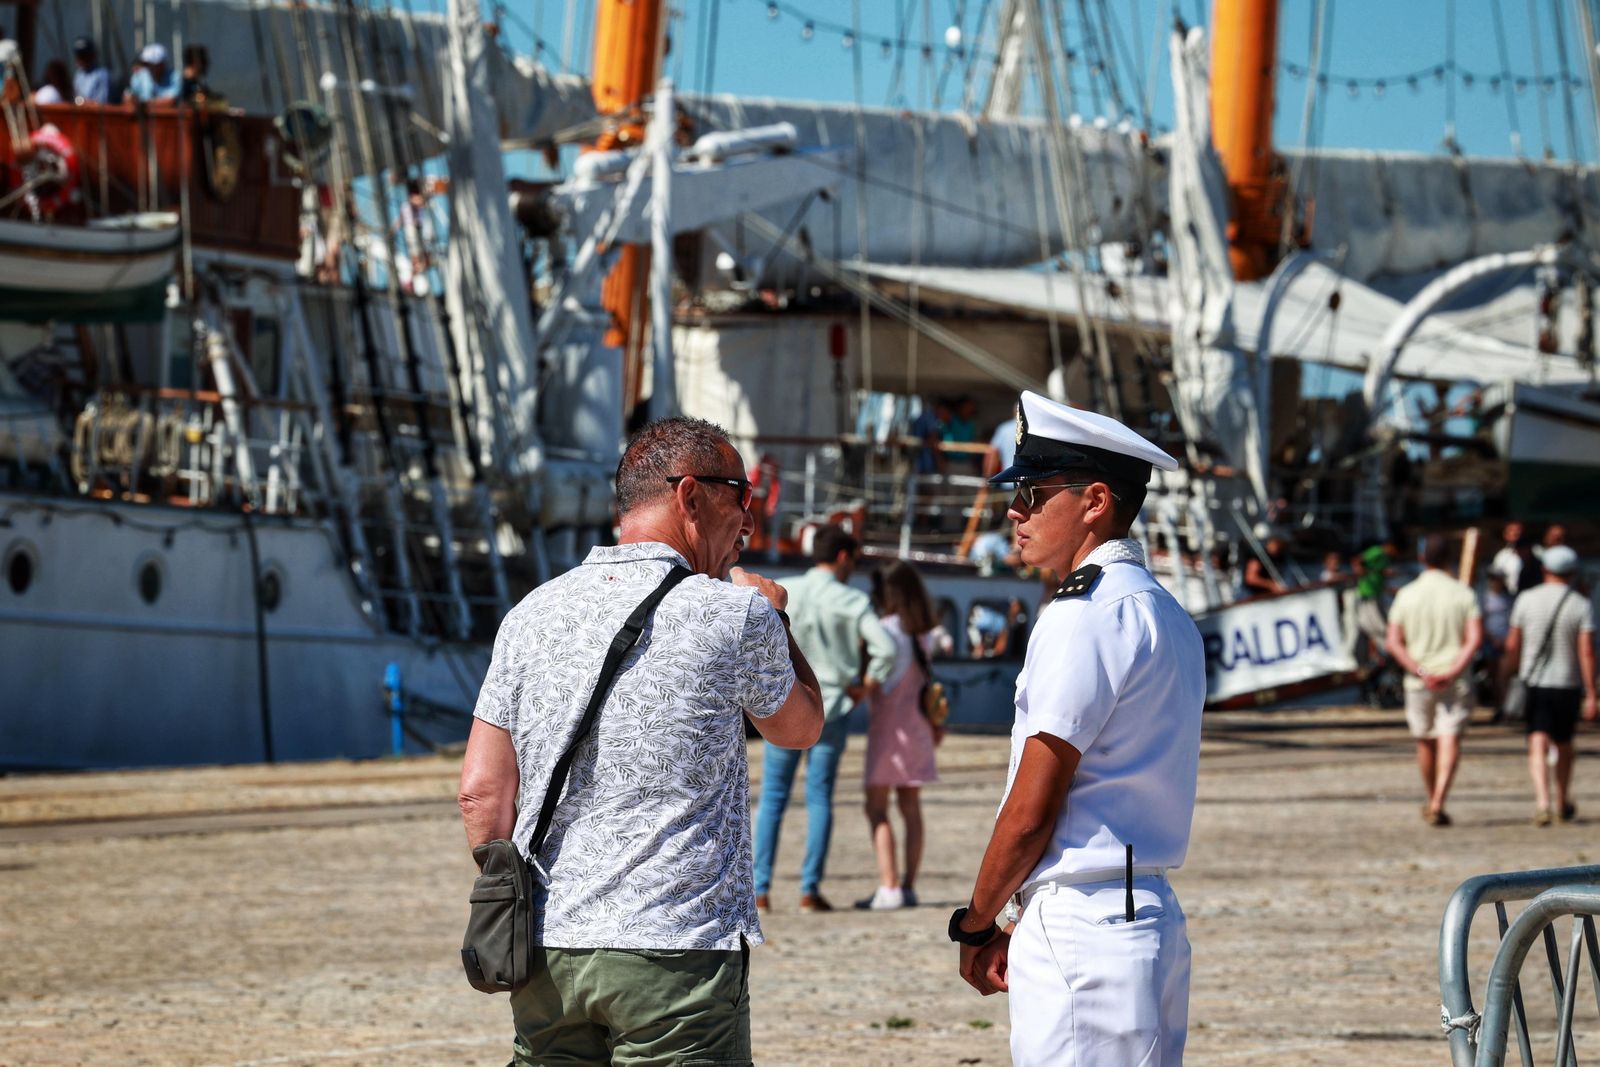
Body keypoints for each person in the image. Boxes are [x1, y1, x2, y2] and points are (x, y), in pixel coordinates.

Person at [457, 416, 824, 1065]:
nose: (749, 517)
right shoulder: (734, 612)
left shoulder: (530, 614)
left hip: (547, 947)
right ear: (690, 495)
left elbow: (481, 794)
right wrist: (776, 616)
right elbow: (800, 728)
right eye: (740, 494)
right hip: (676, 950)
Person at [952, 390, 1204, 1067]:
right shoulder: (1165, 612)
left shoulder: (1082, 614)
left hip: (1084, 924)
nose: (1015, 510)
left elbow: (1031, 810)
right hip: (1146, 909)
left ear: (1094, 501)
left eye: (1033, 493)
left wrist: (975, 921)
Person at [752, 525, 897, 913]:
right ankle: (809, 889)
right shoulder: (853, 600)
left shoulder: (784, 590)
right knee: (819, 797)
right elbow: (885, 649)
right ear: (844, 557)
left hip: (783, 703)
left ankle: (760, 890)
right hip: (831, 705)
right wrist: (865, 686)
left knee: (773, 797)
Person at [858, 560, 943, 911]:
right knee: (911, 807)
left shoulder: (884, 631)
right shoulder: (925, 634)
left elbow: (877, 679)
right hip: (918, 728)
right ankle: (908, 886)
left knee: (876, 808)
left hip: (888, 729)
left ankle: (888, 884)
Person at [1384, 535, 1483, 827]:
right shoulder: (1463, 593)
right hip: (1456, 678)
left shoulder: (1406, 594)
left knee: (1425, 742)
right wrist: (1453, 670)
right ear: (1449, 559)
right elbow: (1474, 638)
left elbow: (1394, 642)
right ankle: (1439, 800)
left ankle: (1431, 797)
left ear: (1421, 559)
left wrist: (1420, 671)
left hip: (1419, 682)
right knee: (1449, 737)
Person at [1501, 545, 1597, 826]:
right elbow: (1587, 652)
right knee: (1564, 743)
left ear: (1544, 570)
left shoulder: (1526, 600)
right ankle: (1562, 799)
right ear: (1573, 573)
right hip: (1567, 682)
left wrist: (1505, 676)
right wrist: (1592, 693)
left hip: (1535, 682)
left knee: (1537, 740)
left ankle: (1542, 801)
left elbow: (1512, 645)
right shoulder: (1581, 604)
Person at [70, 38, 109, 103]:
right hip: (79, 108)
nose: (80, 59)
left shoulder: (102, 75)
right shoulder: (79, 74)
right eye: (78, 55)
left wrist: (81, 101)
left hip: (92, 109)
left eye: (83, 56)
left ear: (93, 55)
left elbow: (102, 102)